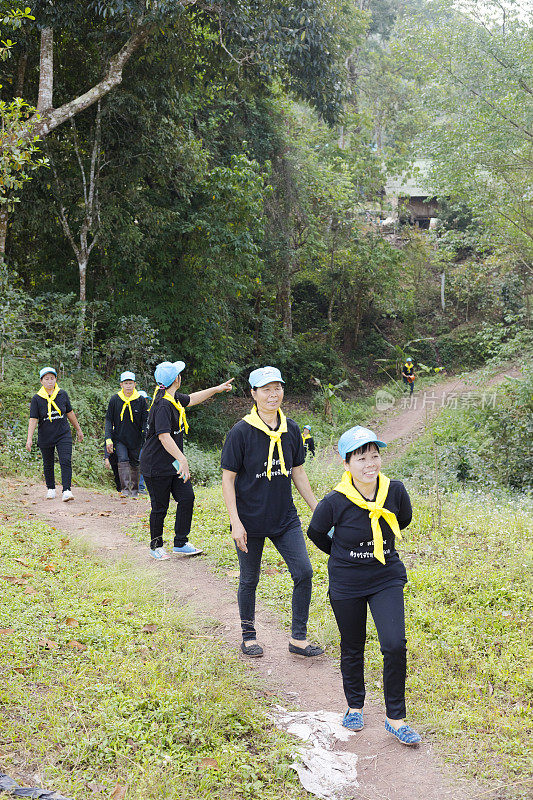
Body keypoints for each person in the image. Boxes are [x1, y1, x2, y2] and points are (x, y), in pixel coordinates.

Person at [306, 425, 421, 746]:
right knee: (353, 645)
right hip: (347, 582)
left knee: (395, 644)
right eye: (361, 458)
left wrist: (374, 550)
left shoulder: (394, 491)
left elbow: (404, 518)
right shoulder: (335, 501)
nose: (370, 463)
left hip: (386, 577)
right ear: (346, 463)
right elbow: (316, 533)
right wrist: (344, 556)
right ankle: (354, 706)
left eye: (374, 455)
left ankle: (395, 718)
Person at [221, 365, 324, 659]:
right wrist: (235, 523)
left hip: (284, 518)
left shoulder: (291, 429)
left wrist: (317, 509)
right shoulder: (240, 432)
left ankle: (298, 639)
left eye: (277, 388)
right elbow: (228, 480)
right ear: (253, 394)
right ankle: (248, 636)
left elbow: (298, 473)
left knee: (304, 572)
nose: (272, 395)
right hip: (249, 520)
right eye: (265, 390)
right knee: (249, 579)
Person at [140, 360, 233, 560]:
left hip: (172, 462)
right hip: (156, 465)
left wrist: (216, 389)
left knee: (187, 497)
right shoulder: (163, 405)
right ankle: (155, 546)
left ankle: (180, 543)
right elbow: (164, 437)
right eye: (179, 374)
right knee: (160, 507)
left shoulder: (172, 398)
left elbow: (191, 399)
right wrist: (183, 459)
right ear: (176, 379)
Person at [26, 367, 84, 501]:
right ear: (41, 381)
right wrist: (29, 438)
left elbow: (70, 413)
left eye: (52, 378)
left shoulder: (62, 394)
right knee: (48, 463)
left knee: (65, 460)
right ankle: (51, 488)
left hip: (63, 433)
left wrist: (78, 430)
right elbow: (33, 419)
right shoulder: (37, 399)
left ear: (56, 379)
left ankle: (67, 490)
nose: (50, 381)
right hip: (46, 435)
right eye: (46, 379)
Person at [105, 371, 148, 498]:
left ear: (135, 384)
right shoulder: (115, 399)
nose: (128, 386)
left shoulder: (140, 400)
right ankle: (124, 490)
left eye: (130, 383)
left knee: (135, 462)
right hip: (119, 438)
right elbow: (108, 419)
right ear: (121, 385)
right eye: (125, 383)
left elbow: (146, 419)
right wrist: (108, 438)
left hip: (136, 438)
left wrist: (145, 433)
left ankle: (134, 491)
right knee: (122, 459)